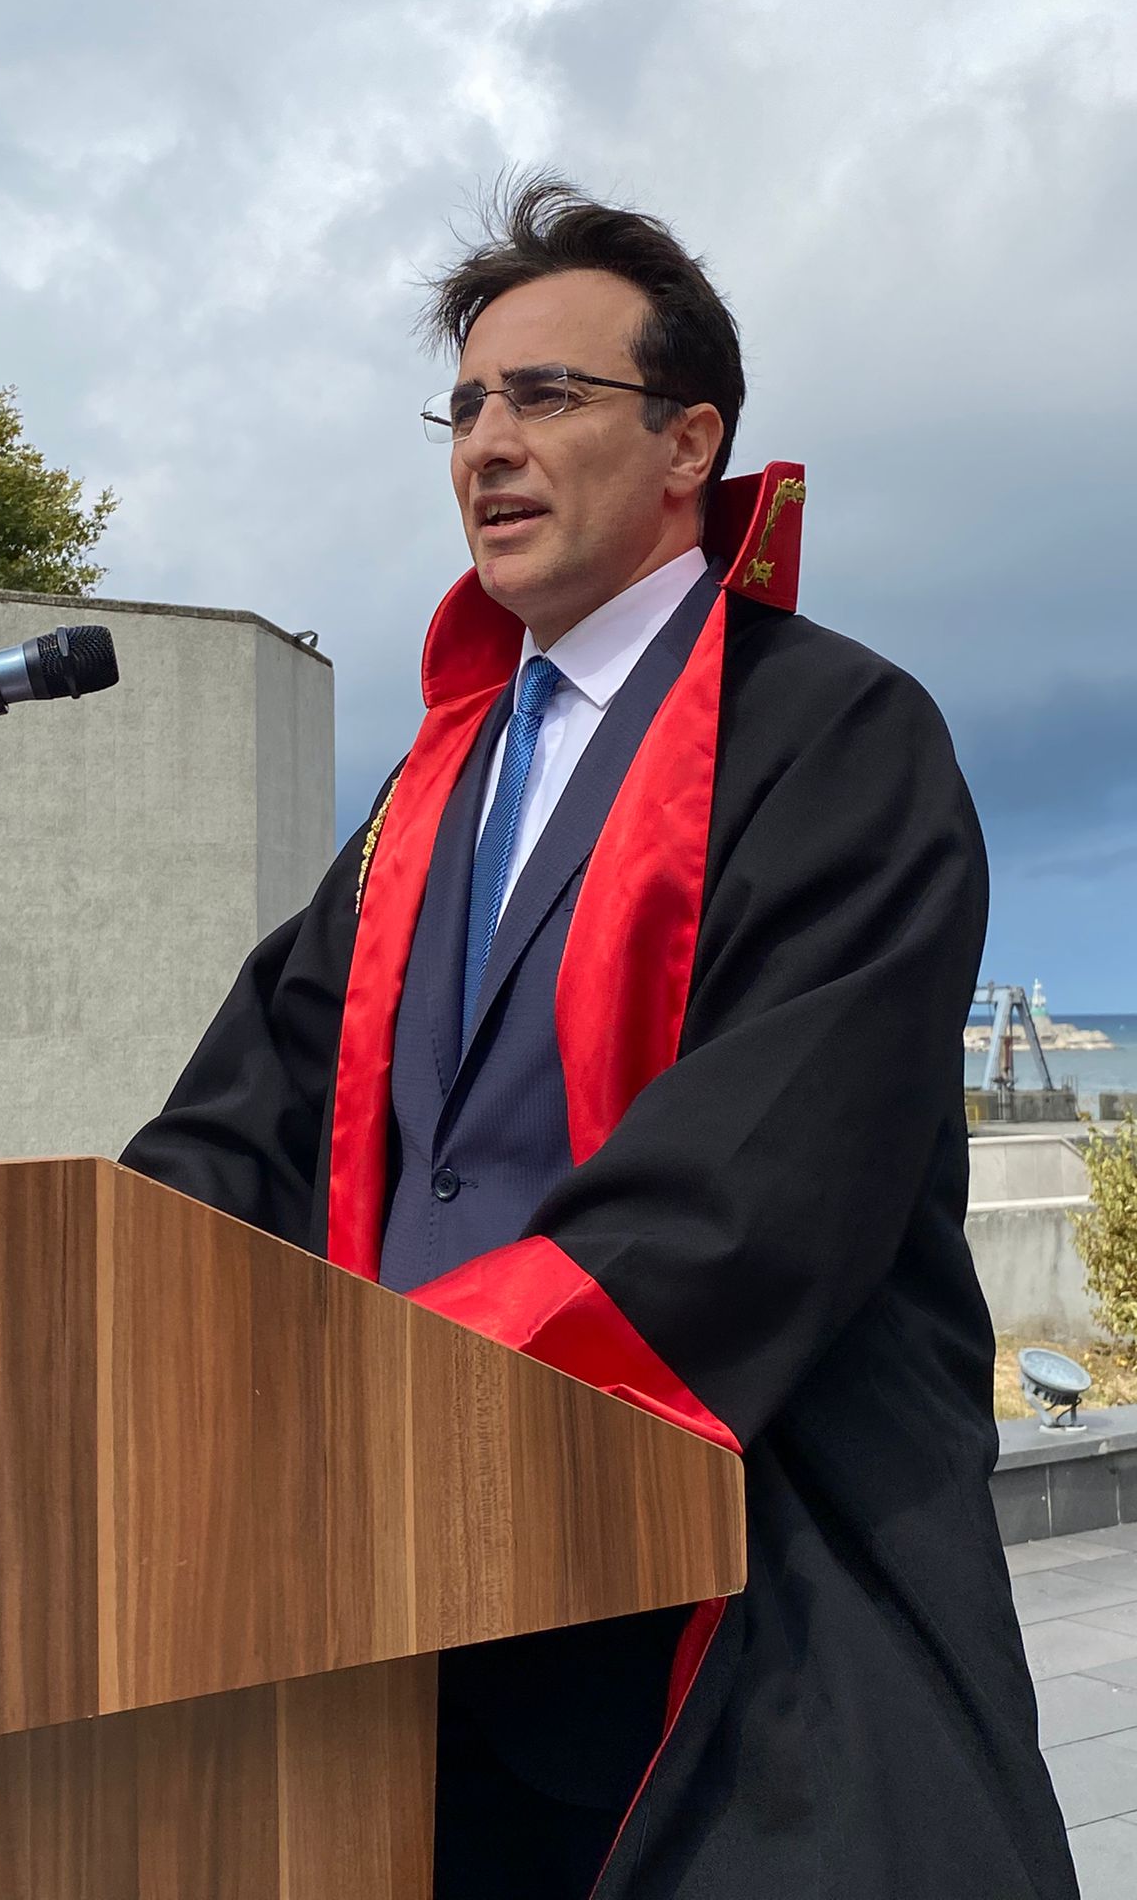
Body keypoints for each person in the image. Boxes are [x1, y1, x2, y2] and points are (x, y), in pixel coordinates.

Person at [121, 177, 1075, 1898]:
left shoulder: (837, 734)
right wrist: (94, 1293)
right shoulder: (433, 786)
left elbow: (759, 1188)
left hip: (721, 1598)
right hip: (418, 1625)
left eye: (547, 395)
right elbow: (255, 1116)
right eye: (466, 406)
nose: (489, 444)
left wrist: (387, 1399)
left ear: (690, 439)